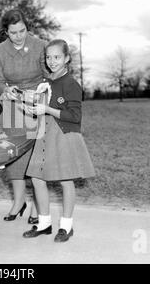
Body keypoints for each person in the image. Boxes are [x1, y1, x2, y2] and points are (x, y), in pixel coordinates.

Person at [22, 39, 95, 242]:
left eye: (57, 57)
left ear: (67, 59)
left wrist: (46, 109)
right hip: (45, 134)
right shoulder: (47, 83)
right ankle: (44, 224)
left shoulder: (71, 84)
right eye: (48, 57)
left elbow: (74, 116)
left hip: (63, 135)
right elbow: (43, 108)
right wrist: (34, 110)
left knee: (65, 180)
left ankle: (66, 227)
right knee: (36, 178)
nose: (52, 61)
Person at [0, 9, 48, 223]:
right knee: (13, 153)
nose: (19, 36)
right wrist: (4, 90)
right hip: (11, 104)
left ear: (27, 27)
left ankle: (36, 205)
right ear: (6, 32)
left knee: (36, 153)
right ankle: (19, 201)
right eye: (13, 32)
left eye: (22, 30)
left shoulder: (40, 45)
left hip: (36, 103)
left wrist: (43, 87)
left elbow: (49, 72)